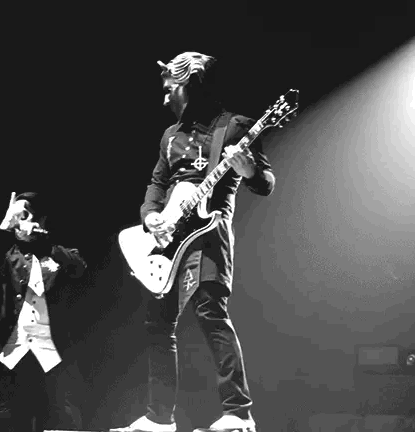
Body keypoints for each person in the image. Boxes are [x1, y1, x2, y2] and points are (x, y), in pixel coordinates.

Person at [113, 52, 276, 432]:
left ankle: (238, 413)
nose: (164, 98)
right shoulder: (170, 136)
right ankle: (159, 418)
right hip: (169, 238)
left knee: (210, 313)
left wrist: (248, 168)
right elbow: (157, 184)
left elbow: (266, 183)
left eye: (169, 89)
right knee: (158, 324)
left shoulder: (234, 127)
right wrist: (150, 216)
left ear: (188, 86)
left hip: (208, 234)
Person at [0, 191, 88, 432]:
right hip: (14, 344)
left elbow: (78, 269)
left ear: (42, 219)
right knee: (4, 414)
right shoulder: (8, 253)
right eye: (18, 216)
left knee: (61, 413)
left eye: (27, 215)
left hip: (53, 348)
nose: (22, 221)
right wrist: (4, 227)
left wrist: (44, 243)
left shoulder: (58, 251)